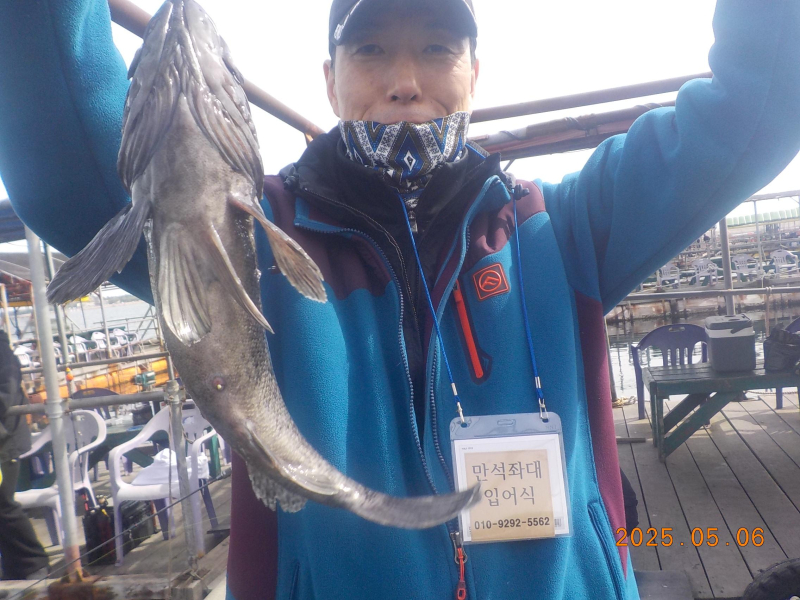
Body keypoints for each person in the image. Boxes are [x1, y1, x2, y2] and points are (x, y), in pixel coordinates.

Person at [1, 0, 799, 598]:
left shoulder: (566, 228)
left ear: (476, 74)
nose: (406, 82)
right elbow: (69, 170)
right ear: (330, 79)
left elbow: (756, 109)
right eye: (371, 50)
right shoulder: (244, 239)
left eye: (438, 49)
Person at [0, 331, 49, 581]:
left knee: (3, 505)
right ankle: (17, 567)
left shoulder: (2, 352)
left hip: (4, 441)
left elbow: (5, 393)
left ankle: (32, 564)